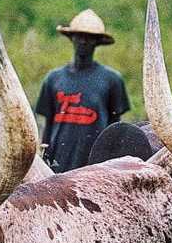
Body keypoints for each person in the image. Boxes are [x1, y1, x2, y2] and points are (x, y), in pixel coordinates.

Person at [35, 9, 131, 172]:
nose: (84, 41)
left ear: (97, 42)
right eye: (79, 36)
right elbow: (48, 125)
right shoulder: (53, 79)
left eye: (90, 38)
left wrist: (112, 164)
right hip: (58, 163)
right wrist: (44, 159)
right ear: (72, 38)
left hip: (94, 165)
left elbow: (115, 128)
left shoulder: (111, 80)